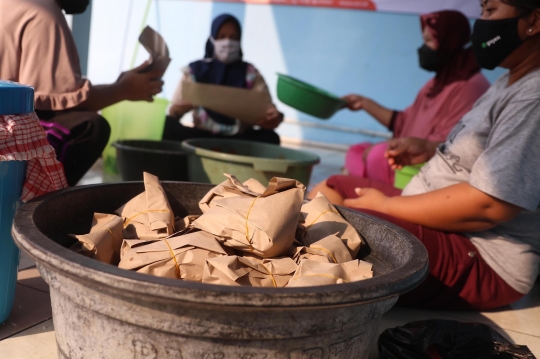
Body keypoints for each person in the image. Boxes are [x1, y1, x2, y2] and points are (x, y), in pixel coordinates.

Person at [309, 0, 540, 311]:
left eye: (490, 11)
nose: (481, 23)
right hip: (436, 209)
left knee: (329, 228)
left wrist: (389, 206)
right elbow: (490, 150)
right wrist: (431, 148)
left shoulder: (533, 95)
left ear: (534, 22)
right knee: (329, 192)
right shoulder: (507, 81)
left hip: (485, 255)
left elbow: (492, 203)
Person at [0, 0, 164, 186]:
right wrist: (124, 89)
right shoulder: (43, 14)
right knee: (90, 128)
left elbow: (59, 97)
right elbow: (52, 103)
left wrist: (119, 85)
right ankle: (35, 201)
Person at [342, 10, 490, 185]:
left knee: (376, 155)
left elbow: (451, 146)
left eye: (428, 41)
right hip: (410, 151)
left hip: (432, 165)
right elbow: (404, 122)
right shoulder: (435, 83)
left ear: (448, 41)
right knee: (357, 151)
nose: (423, 48)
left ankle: (373, 202)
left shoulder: (469, 86)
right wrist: (363, 103)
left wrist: (393, 145)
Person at [162, 14, 283, 145]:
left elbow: (268, 110)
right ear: (213, 39)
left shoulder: (250, 73)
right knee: (166, 126)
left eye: (234, 37)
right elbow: (174, 113)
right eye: (222, 36)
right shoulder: (195, 71)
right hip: (201, 136)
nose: (228, 42)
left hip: (240, 139)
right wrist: (177, 110)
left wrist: (274, 118)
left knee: (271, 138)